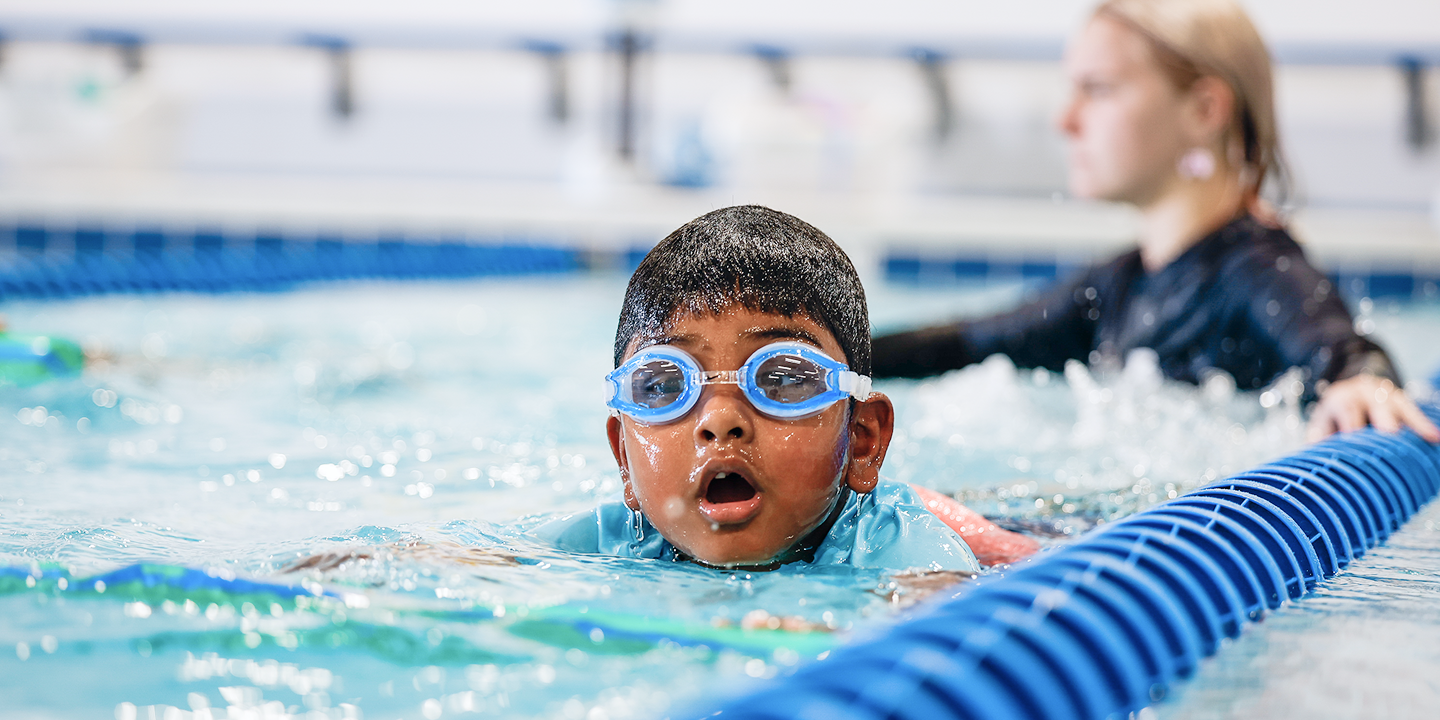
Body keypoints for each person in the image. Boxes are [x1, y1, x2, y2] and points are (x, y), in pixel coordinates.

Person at [872, 0, 1440, 444]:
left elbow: (1336, 349)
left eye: (1097, 89)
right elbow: (973, 342)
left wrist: (1363, 379)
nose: (1065, 119)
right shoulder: (1119, 285)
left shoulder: (1258, 272)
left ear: (1203, 111)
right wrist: (836, 357)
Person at [528, 205, 1038, 572]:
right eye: (663, 385)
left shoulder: (902, 550)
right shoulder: (613, 540)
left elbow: (936, 620)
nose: (718, 420)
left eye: (783, 379)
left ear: (861, 440)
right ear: (623, 456)